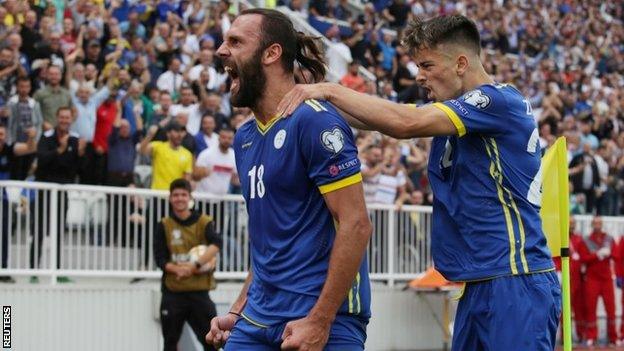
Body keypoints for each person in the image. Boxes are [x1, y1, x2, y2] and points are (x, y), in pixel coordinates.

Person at [277, 15, 559, 350]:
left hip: (515, 280)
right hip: (480, 283)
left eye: (426, 65)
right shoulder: (456, 112)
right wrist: (303, 94)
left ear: (461, 63)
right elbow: (380, 117)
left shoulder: (498, 101)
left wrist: (329, 89)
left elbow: (404, 122)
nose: (419, 76)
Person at [206, 9, 373, 350]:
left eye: (235, 42)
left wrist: (321, 319)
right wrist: (238, 310)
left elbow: (356, 224)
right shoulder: (244, 138)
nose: (222, 51)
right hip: (257, 318)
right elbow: (269, 244)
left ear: (271, 53)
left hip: (323, 317)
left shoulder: (315, 122)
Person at [154, 178, 221, 351]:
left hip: (199, 293)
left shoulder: (204, 222)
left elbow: (216, 244)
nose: (179, 198)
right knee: (170, 344)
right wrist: (179, 270)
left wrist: (194, 267)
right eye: (175, 195)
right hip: (173, 293)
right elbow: (160, 259)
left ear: (190, 197)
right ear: (170, 198)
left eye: (183, 194)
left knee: (212, 343)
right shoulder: (164, 225)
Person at [30, 106, 86, 283]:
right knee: (38, 231)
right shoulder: (46, 137)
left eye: (67, 118)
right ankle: (33, 271)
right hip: (44, 191)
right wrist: (59, 150)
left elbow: (79, 169)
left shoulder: (76, 139)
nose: (64, 120)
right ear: (56, 117)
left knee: (59, 232)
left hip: (62, 192)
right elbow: (42, 160)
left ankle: (58, 270)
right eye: (61, 117)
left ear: (71, 120)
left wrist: (81, 154)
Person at [0, 124, 37, 283]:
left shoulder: (9, 148)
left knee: (4, 234)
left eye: (1, 134)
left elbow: (31, 148)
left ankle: (3, 269)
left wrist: (31, 137)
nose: (0, 136)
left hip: (4, 199)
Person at [578, 216, 618, 346]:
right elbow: (583, 258)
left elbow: (617, 255)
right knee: (591, 308)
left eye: (599, 223)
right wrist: (597, 255)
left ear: (602, 224)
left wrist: (609, 253)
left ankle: (613, 337)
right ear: (592, 224)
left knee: (611, 309)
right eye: (595, 223)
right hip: (592, 279)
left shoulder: (609, 239)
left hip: (606, 279)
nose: (597, 225)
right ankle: (591, 337)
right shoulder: (586, 240)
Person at [139, 121, 193, 190]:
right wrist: (150, 135)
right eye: (176, 131)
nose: (179, 134)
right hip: (158, 194)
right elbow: (142, 150)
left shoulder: (187, 154)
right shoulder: (158, 146)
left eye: (181, 132)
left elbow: (187, 178)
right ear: (168, 134)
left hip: (174, 195)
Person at [193, 128, 238, 196]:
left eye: (229, 138)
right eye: (224, 137)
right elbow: (195, 176)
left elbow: (235, 180)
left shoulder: (234, 156)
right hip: (204, 198)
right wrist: (203, 173)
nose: (226, 140)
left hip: (222, 198)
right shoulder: (206, 154)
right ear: (218, 138)